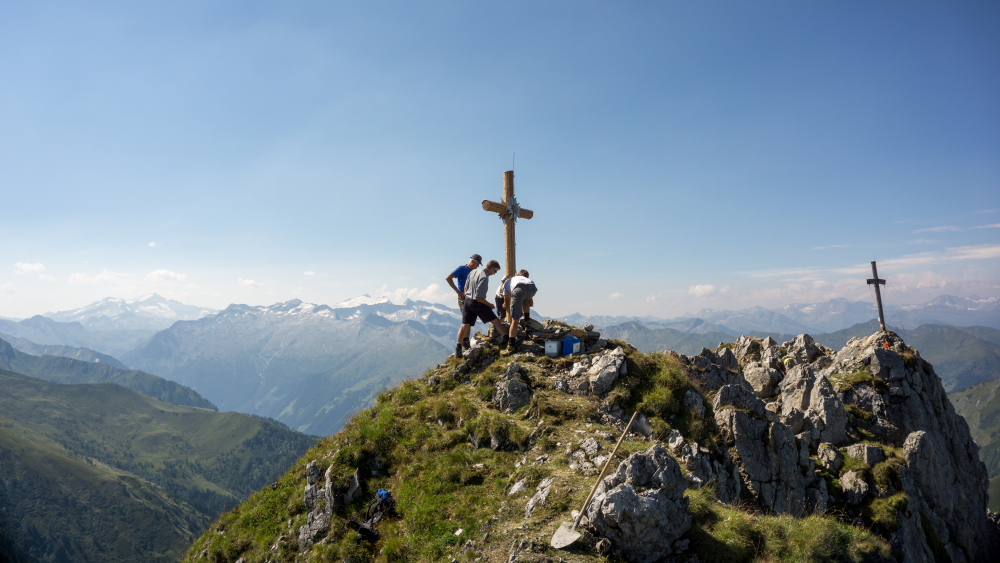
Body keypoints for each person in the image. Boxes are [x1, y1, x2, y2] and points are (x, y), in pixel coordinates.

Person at [457, 260, 508, 356]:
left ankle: (459, 349)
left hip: (467, 301)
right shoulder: (484, 277)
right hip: (477, 303)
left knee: (464, 326)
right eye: (495, 271)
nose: (495, 273)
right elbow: (479, 297)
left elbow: (465, 288)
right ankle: (507, 341)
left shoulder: (473, 272)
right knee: (496, 321)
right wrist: (489, 304)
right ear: (492, 268)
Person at [503, 269, 537, 348]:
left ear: (518, 274)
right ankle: (527, 323)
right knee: (525, 300)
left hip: (518, 290)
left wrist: (507, 306)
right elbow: (531, 304)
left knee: (515, 320)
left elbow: (506, 302)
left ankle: (511, 344)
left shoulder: (507, 282)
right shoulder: (526, 279)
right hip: (532, 287)